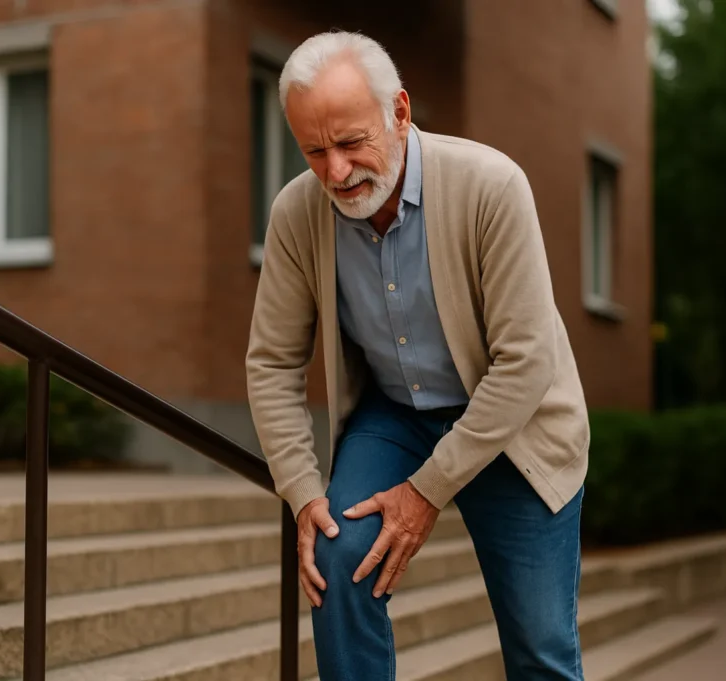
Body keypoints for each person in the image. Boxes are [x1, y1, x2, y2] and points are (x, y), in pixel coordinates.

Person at [245, 29, 590, 681]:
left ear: (399, 113)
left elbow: (525, 364)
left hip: (514, 425)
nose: (335, 172)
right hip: (396, 414)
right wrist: (301, 488)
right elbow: (270, 362)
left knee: (541, 646)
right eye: (314, 151)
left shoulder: (492, 186)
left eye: (350, 143)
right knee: (337, 559)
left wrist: (424, 494)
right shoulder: (296, 213)